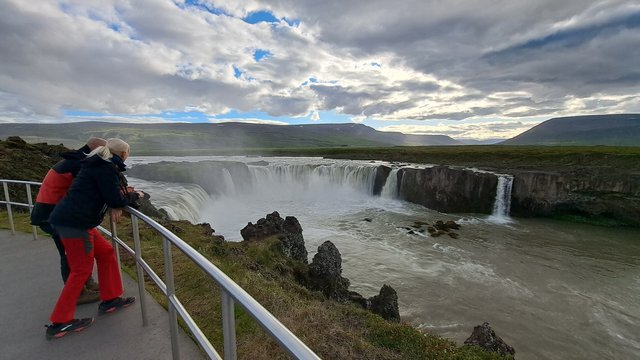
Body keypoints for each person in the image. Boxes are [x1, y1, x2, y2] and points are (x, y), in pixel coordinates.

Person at [45, 138, 143, 340]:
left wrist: (117, 201)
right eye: (128, 152)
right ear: (123, 154)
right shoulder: (105, 168)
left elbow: (110, 195)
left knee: (106, 253)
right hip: (75, 224)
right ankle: (59, 323)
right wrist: (136, 196)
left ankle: (110, 299)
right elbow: (115, 198)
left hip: (79, 222)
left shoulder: (99, 164)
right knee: (81, 270)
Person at [31, 137, 106, 305]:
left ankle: (87, 283)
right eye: (105, 151)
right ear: (97, 149)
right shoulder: (79, 165)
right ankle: (78, 293)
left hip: (51, 212)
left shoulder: (75, 160)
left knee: (76, 250)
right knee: (69, 252)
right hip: (53, 216)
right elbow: (91, 189)